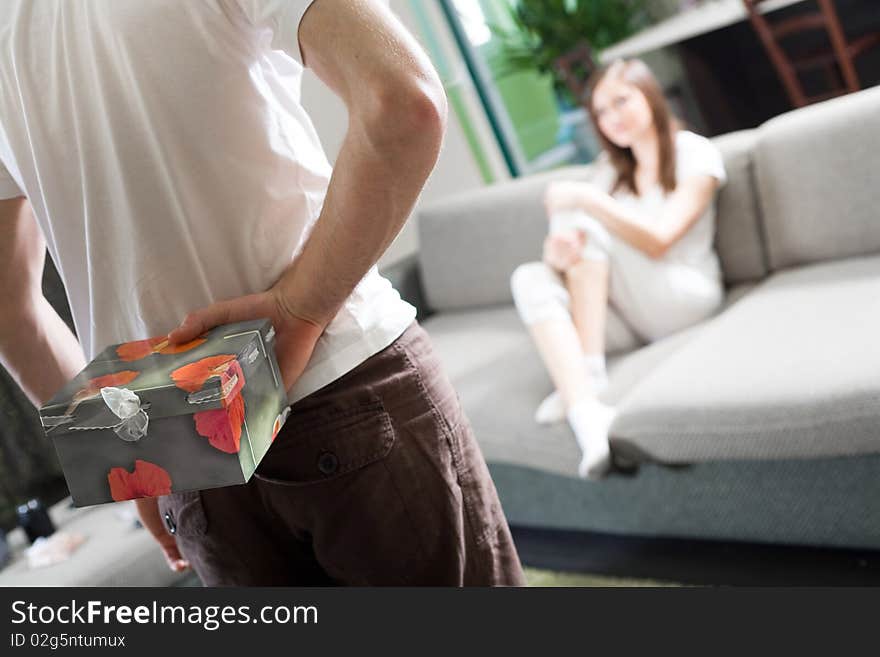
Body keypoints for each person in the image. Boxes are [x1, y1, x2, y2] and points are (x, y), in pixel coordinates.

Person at [0, 0, 525, 586]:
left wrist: (125, 450)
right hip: (339, 377)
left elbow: (8, 309)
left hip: (186, 448)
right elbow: (404, 103)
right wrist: (299, 308)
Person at [510, 59, 728, 480]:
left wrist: (585, 201)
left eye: (621, 102)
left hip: (683, 293)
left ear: (650, 95)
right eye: (601, 113)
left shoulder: (694, 153)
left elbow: (661, 239)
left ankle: (585, 376)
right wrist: (557, 254)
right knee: (530, 277)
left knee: (583, 216)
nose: (613, 119)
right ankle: (586, 412)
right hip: (632, 310)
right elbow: (577, 255)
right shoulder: (610, 173)